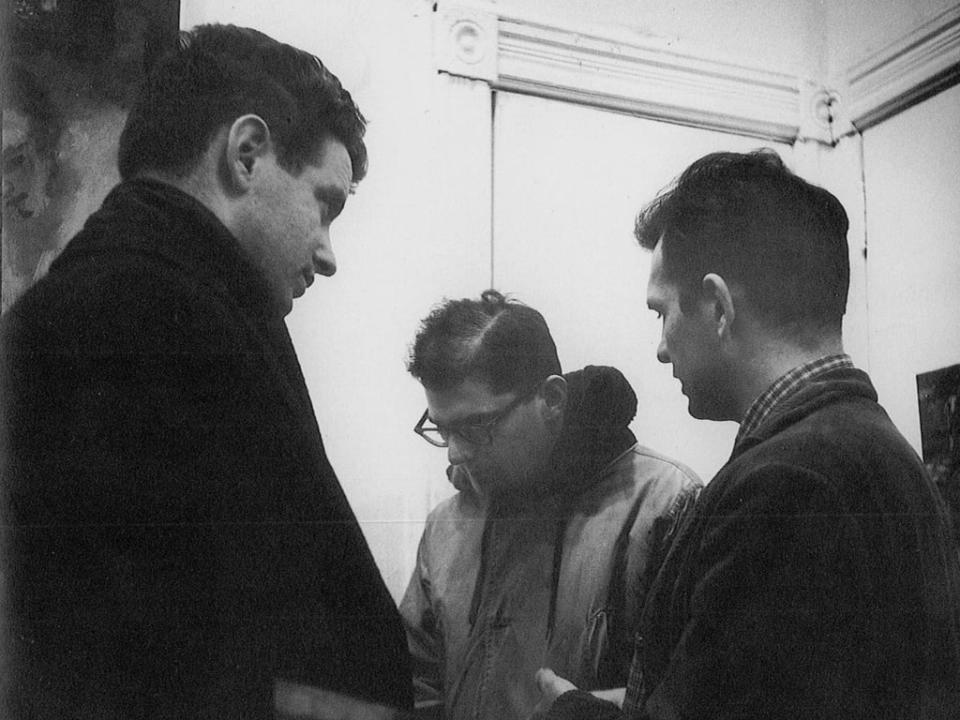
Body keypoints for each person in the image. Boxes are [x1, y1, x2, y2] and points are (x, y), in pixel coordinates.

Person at [1, 24, 413, 719]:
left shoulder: (99, 305)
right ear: (246, 153)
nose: (327, 251)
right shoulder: (165, 321)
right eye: (325, 204)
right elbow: (184, 667)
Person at [535, 150, 960, 720]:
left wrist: (571, 711)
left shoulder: (786, 485)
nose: (661, 347)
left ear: (716, 306)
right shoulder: (875, 446)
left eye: (661, 313)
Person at [400, 290, 701, 720]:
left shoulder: (664, 506)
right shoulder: (448, 525)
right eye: (443, 430)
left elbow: (697, 698)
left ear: (552, 399)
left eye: (475, 426)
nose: (454, 453)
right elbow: (417, 687)